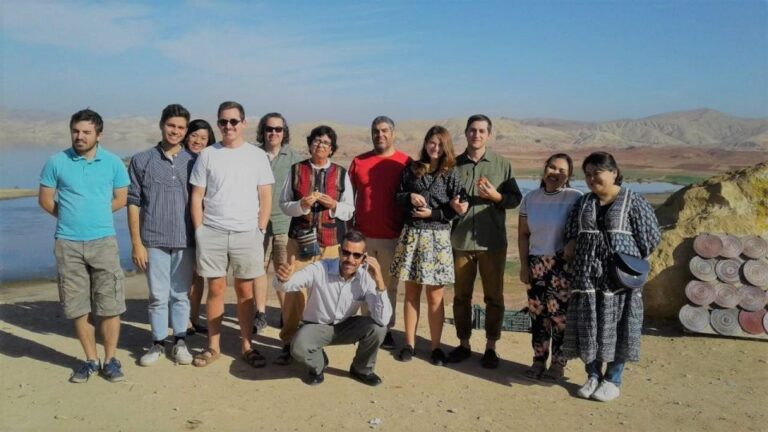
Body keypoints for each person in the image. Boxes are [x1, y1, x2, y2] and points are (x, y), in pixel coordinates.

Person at [38, 109, 130, 383]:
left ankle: (111, 359)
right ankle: (90, 360)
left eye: (86, 132)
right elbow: (45, 200)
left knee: (110, 304)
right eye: (76, 131)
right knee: (77, 305)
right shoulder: (56, 161)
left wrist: (96, 217)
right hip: (68, 243)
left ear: (98, 135)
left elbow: (120, 199)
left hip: (103, 241)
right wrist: (69, 216)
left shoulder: (113, 163)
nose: (80, 136)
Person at [563, 151, 660, 402]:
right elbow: (572, 231)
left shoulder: (633, 201)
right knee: (589, 324)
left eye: (597, 172)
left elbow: (650, 238)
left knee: (620, 324)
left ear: (614, 173)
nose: (592, 178)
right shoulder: (583, 202)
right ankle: (592, 375)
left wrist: (624, 256)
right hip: (586, 276)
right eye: (587, 174)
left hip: (619, 279)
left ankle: (613, 379)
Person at [189, 101, 274, 368]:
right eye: (223, 122)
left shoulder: (257, 156)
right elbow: (197, 195)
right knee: (214, 288)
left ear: (243, 123)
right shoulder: (208, 155)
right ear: (218, 124)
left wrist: (260, 229)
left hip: (247, 232)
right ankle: (212, 346)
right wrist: (199, 230)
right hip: (212, 231)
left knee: (245, 290)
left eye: (233, 121)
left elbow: (265, 195)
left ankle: (247, 345)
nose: (228, 126)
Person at [448, 114, 522, 368]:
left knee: (494, 297)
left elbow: (515, 199)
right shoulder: (454, 165)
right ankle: (463, 344)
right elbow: (444, 200)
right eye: (472, 130)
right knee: (461, 297)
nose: (476, 135)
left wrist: (497, 196)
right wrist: (452, 207)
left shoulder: (502, 165)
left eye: (481, 131)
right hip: (462, 242)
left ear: (488, 135)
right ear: (465, 133)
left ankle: (491, 346)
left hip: (492, 243)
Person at [277, 125, 355, 364]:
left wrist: (333, 205)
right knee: (294, 291)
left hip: (330, 243)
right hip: (299, 241)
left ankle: (316, 343)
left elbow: (349, 209)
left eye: (326, 143)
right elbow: (283, 204)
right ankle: (289, 341)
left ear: (332, 148)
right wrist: (301, 205)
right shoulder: (296, 170)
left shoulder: (341, 173)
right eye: (317, 141)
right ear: (309, 144)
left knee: (323, 294)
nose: (321, 146)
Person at [275, 230, 392, 386]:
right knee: (298, 347)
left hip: (345, 326)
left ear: (364, 258)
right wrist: (282, 279)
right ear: (339, 251)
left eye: (356, 255)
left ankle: (362, 369)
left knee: (378, 328)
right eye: (346, 253)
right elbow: (290, 284)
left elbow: (383, 319)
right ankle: (318, 365)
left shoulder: (366, 278)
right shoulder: (320, 268)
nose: (350, 259)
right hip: (316, 326)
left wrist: (380, 282)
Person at [128, 104, 197, 366]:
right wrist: (137, 243)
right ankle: (157, 342)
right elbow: (133, 202)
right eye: (171, 125)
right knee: (157, 295)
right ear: (161, 125)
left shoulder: (193, 161)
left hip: (185, 239)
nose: (175, 131)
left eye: (180, 127)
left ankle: (180, 341)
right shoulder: (142, 160)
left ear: (186, 130)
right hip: (153, 239)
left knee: (180, 294)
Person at [390, 126, 465, 365]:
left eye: (440, 144)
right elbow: (397, 197)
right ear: (425, 143)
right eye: (432, 143)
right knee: (411, 294)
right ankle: (409, 344)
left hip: (438, 239)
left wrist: (433, 213)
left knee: (435, 297)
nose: (435, 148)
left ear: (446, 147)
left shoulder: (451, 173)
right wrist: (409, 197)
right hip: (412, 236)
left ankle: (435, 348)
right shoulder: (412, 169)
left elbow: (457, 208)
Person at [517, 153, 582, 380]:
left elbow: (580, 233)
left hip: (563, 266)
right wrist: (524, 265)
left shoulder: (576, 198)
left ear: (569, 176)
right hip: (536, 264)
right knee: (538, 317)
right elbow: (524, 234)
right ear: (545, 169)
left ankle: (558, 364)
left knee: (561, 318)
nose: (556, 173)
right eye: (552, 167)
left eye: (562, 171)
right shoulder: (530, 198)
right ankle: (538, 360)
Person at [349, 116, 412, 349]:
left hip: (393, 236)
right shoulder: (358, 162)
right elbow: (348, 198)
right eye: (376, 131)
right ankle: (368, 327)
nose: (380, 135)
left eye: (385, 130)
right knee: (364, 284)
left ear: (393, 133)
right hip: (362, 237)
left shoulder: (405, 162)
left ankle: (385, 328)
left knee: (388, 286)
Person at [253, 112, 302, 339]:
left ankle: (286, 314)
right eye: (269, 129)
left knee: (283, 272)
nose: (273, 133)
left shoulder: (294, 158)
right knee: (258, 270)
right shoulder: (252, 154)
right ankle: (260, 314)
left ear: (284, 132)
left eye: (278, 129)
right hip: (256, 224)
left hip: (284, 223)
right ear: (263, 131)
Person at [183, 119, 216, 335]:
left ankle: (194, 318)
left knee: (198, 274)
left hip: (205, 223)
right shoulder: (181, 160)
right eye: (194, 135)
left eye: (203, 138)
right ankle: (182, 319)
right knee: (182, 275)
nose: (198, 141)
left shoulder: (210, 159)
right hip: (182, 223)